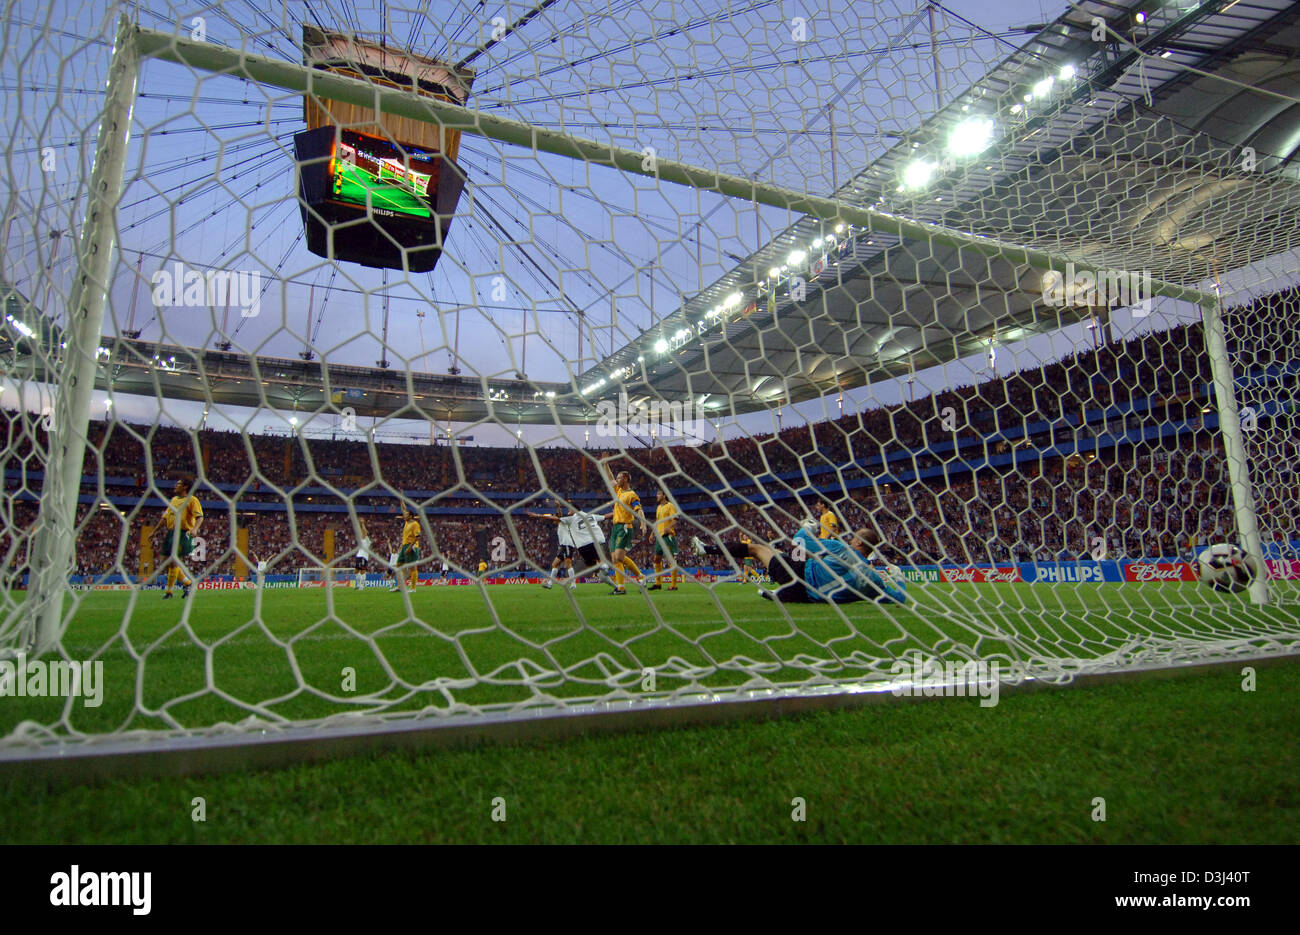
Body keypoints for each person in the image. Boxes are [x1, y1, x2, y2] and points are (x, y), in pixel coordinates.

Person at [692, 522, 906, 606]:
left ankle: (706, 549)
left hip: (798, 575)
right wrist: (899, 579)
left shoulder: (842, 550)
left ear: (858, 542)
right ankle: (779, 594)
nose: (851, 539)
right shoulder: (873, 580)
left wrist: (809, 527)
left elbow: (800, 539)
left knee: (756, 549)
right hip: (808, 596)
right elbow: (900, 599)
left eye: (855, 537)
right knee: (776, 552)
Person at [149, 476, 202, 599]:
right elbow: (165, 517)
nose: (175, 485)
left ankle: (169, 592)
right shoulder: (173, 500)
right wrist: (154, 531)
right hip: (170, 533)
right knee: (164, 563)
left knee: (173, 562)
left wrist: (195, 529)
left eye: (178, 483)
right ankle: (188, 583)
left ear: (185, 487)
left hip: (183, 533)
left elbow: (200, 517)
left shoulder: (192, 500)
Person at [608, 470, 647, 595]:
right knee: (615, 559)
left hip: (625, 527)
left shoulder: (631, 495)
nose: (617, 480)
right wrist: (605, 464)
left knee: (619, 557)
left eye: (619, 478)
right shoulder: (619, 491)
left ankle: (641, 576)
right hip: (615, 528)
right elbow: (610, 478)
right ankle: (621, 587)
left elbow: (639, 510)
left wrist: (643, 523)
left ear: (625, 479)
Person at [648, 490, 680, 591]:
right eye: (657, 494)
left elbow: (675, 518)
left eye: (659, 494)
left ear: (664, 495)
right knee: (656, 559)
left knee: (671, 560)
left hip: (668, 536)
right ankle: (658, 584)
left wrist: (669, 527)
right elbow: (658, 522)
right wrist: (652, 533)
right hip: (659, 537)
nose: (657, 496)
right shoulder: (658, 508)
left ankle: (674, 585)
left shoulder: (670, 505)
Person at [390, 506, 421, 592]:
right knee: (399, 565)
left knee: (412, 568)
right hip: (404, 546)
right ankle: (400, 586)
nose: (404, 516)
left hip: (411, 546)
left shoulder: (415, 524)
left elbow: (417, 537)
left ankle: (413, 588)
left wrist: (409, 548)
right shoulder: (407, 523)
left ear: (411, 516)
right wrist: (401, 501)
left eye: (406, 515)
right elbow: (404, 509)